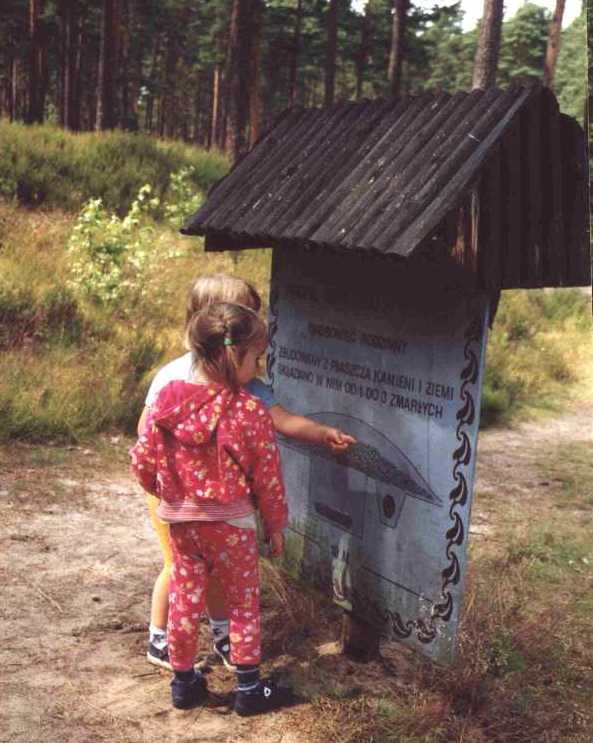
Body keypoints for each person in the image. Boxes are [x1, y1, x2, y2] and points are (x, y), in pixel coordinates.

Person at [138, 274, 356, 673]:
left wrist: (322, 433)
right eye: (246, 315)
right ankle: (160, 639)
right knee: (178, 568)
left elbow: (283, 419)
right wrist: (157, 481)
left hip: (213, 503)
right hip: (178, 496)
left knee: (215, 573)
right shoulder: (174, 379)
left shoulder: (247, 382)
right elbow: (146, 435)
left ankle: (222, 635)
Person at [130, 302, 290, 713]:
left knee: (185, 598)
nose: (258, 367)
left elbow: (141, 459)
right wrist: (275, 525)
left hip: (182, 524)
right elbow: (267, 478)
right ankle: (250, 689)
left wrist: (163, 491)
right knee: (242, 602)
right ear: (232, 355)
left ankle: (184, 684)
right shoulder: (249, 412)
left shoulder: (167, 401)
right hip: (233, 526)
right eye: (257, 358)